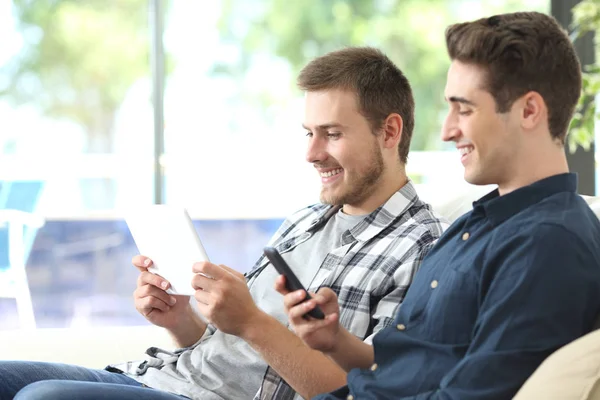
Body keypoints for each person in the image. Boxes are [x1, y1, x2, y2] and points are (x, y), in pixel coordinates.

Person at [0, 47, 447, 400]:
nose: (310, 153)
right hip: (162, 379)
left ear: (389, 132)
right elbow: (229, 350)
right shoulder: (305, 221)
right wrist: (180, 320)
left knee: (43, 396)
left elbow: (364, 391)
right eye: (308, 133)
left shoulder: (424, 249)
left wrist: (251, 320)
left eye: (331, 134)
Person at [277, 11, 600, 400]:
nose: (447, 130)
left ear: (529, 111)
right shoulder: (476, 222)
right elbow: (414, 363)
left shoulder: (547, 245)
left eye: (464, 109)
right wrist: (336, 342)